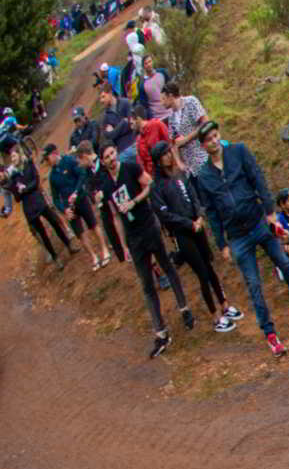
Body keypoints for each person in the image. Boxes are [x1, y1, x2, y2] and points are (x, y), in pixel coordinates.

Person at [192, 121, 289, 357]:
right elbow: (211, 212)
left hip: (259, 223)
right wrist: (221, 244)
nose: (214, 141)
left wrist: (270, 211)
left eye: (215, 135)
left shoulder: (238, 151)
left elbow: (257, 178)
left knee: (285, 264)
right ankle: (270, 334)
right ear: (203, 145)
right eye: (208, 139)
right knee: (253, 285)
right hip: (237, 236)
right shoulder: (204, 176)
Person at [101, 141, 191, 358]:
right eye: (107, 157)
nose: (111, 158)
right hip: (133, 238)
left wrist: (135, 201)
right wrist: (123, 245)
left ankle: (184, 308)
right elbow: (115, 216)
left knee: (168, 267)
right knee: (147, 285)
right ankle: (161, 333)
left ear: (116, 152)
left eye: (112, 153)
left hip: (148, 226)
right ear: (103, 162)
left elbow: (149, 184)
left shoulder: (130, 168)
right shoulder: (106, 185)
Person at [148, 143, 237, 332]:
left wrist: (199, 216)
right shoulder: (156, 187)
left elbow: (193, 195)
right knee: (202, 273)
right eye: (163, 155)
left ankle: (225, 305)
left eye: (168, 152)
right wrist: (189, 224)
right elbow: (165, 215)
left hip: (197, 227)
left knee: (210, 268)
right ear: (157, 161)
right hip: (182, 235)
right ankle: (215, 316)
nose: (168, 156)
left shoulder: (179, 174)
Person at [2, 141, 74, 268]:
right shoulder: (13, 177)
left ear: (19, 155)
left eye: (13, 156)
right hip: (29, 208)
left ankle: (69, 245)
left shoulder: (29, 164)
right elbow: (17, 198)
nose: (12, 159)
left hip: (39, 200)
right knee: (43, 234)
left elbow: (36, 181)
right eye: (11, 158)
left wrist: (24, 189)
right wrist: (16, 190)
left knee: (54, 223)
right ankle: (55, 258)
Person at [48, 141, 112, 270]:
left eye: (47, 158)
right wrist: (64, 210)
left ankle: (104, 249)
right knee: (80, 233)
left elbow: (82, 175)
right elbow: (55, 198)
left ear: (54, 154)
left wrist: (76, 192)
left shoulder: (69, 160)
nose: (47, 162)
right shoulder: (52, 176)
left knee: (93, 224)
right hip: (69, 207)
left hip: (81, 199)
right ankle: (93, 257)